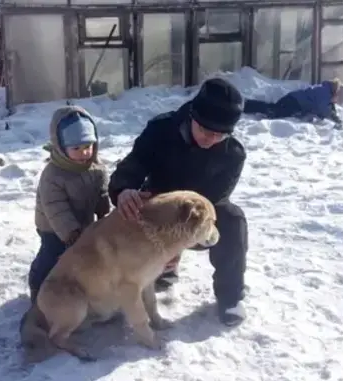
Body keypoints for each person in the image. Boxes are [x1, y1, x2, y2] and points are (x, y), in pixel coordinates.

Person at [107, 77, 249, 327]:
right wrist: (124, 190)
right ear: (192, 116)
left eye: (219, 135)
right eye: (205, 130)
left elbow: (211, 203)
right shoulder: (161, 130)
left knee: (232, 219)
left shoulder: (232, 154)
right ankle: (125, 283)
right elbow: (134, 164)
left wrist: (175, 244)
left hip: (195, 216)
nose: (210, 139)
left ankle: (231, 296)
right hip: (158, 206)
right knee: (127, 209)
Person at [28, 105, 110, 304]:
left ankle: (78, 288)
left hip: (83, 222)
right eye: (76, 148)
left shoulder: (96, 167)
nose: (84, 153)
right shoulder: (53, 175)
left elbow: (101, 189)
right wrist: (71, 233)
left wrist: (103, 205)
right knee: (53, 257)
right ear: (61, 147)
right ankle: (38, 287)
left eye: (88, 146)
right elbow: (55, 208)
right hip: (53, 227)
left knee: (83, 259)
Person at [243, 78, 343, 129]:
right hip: (293, 102)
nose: (335, 103)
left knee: (274, 110)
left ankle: (247, 105)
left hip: (295, 102)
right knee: (273, 112)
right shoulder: (324, 93)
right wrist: (335, 120)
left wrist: (336, 119)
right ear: (336, 94)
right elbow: (322, 110)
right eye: (337, 101)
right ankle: (246, 105)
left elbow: (328, 108)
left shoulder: (327, 93)